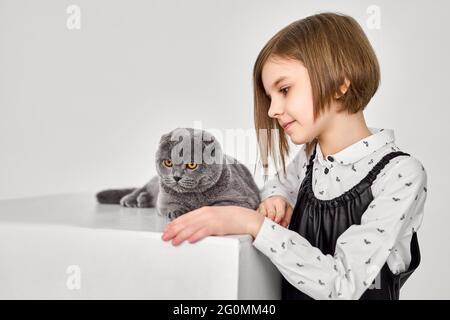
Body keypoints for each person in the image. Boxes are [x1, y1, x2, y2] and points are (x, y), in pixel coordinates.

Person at [161, 12, 428, 300]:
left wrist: (252, 223)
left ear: (341, 81)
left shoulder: (400, 175)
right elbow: (276, 186)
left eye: (284, 90)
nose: (272, 110)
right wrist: (277, 199)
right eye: (270, 96)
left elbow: (343, 285)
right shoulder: (311, 158)